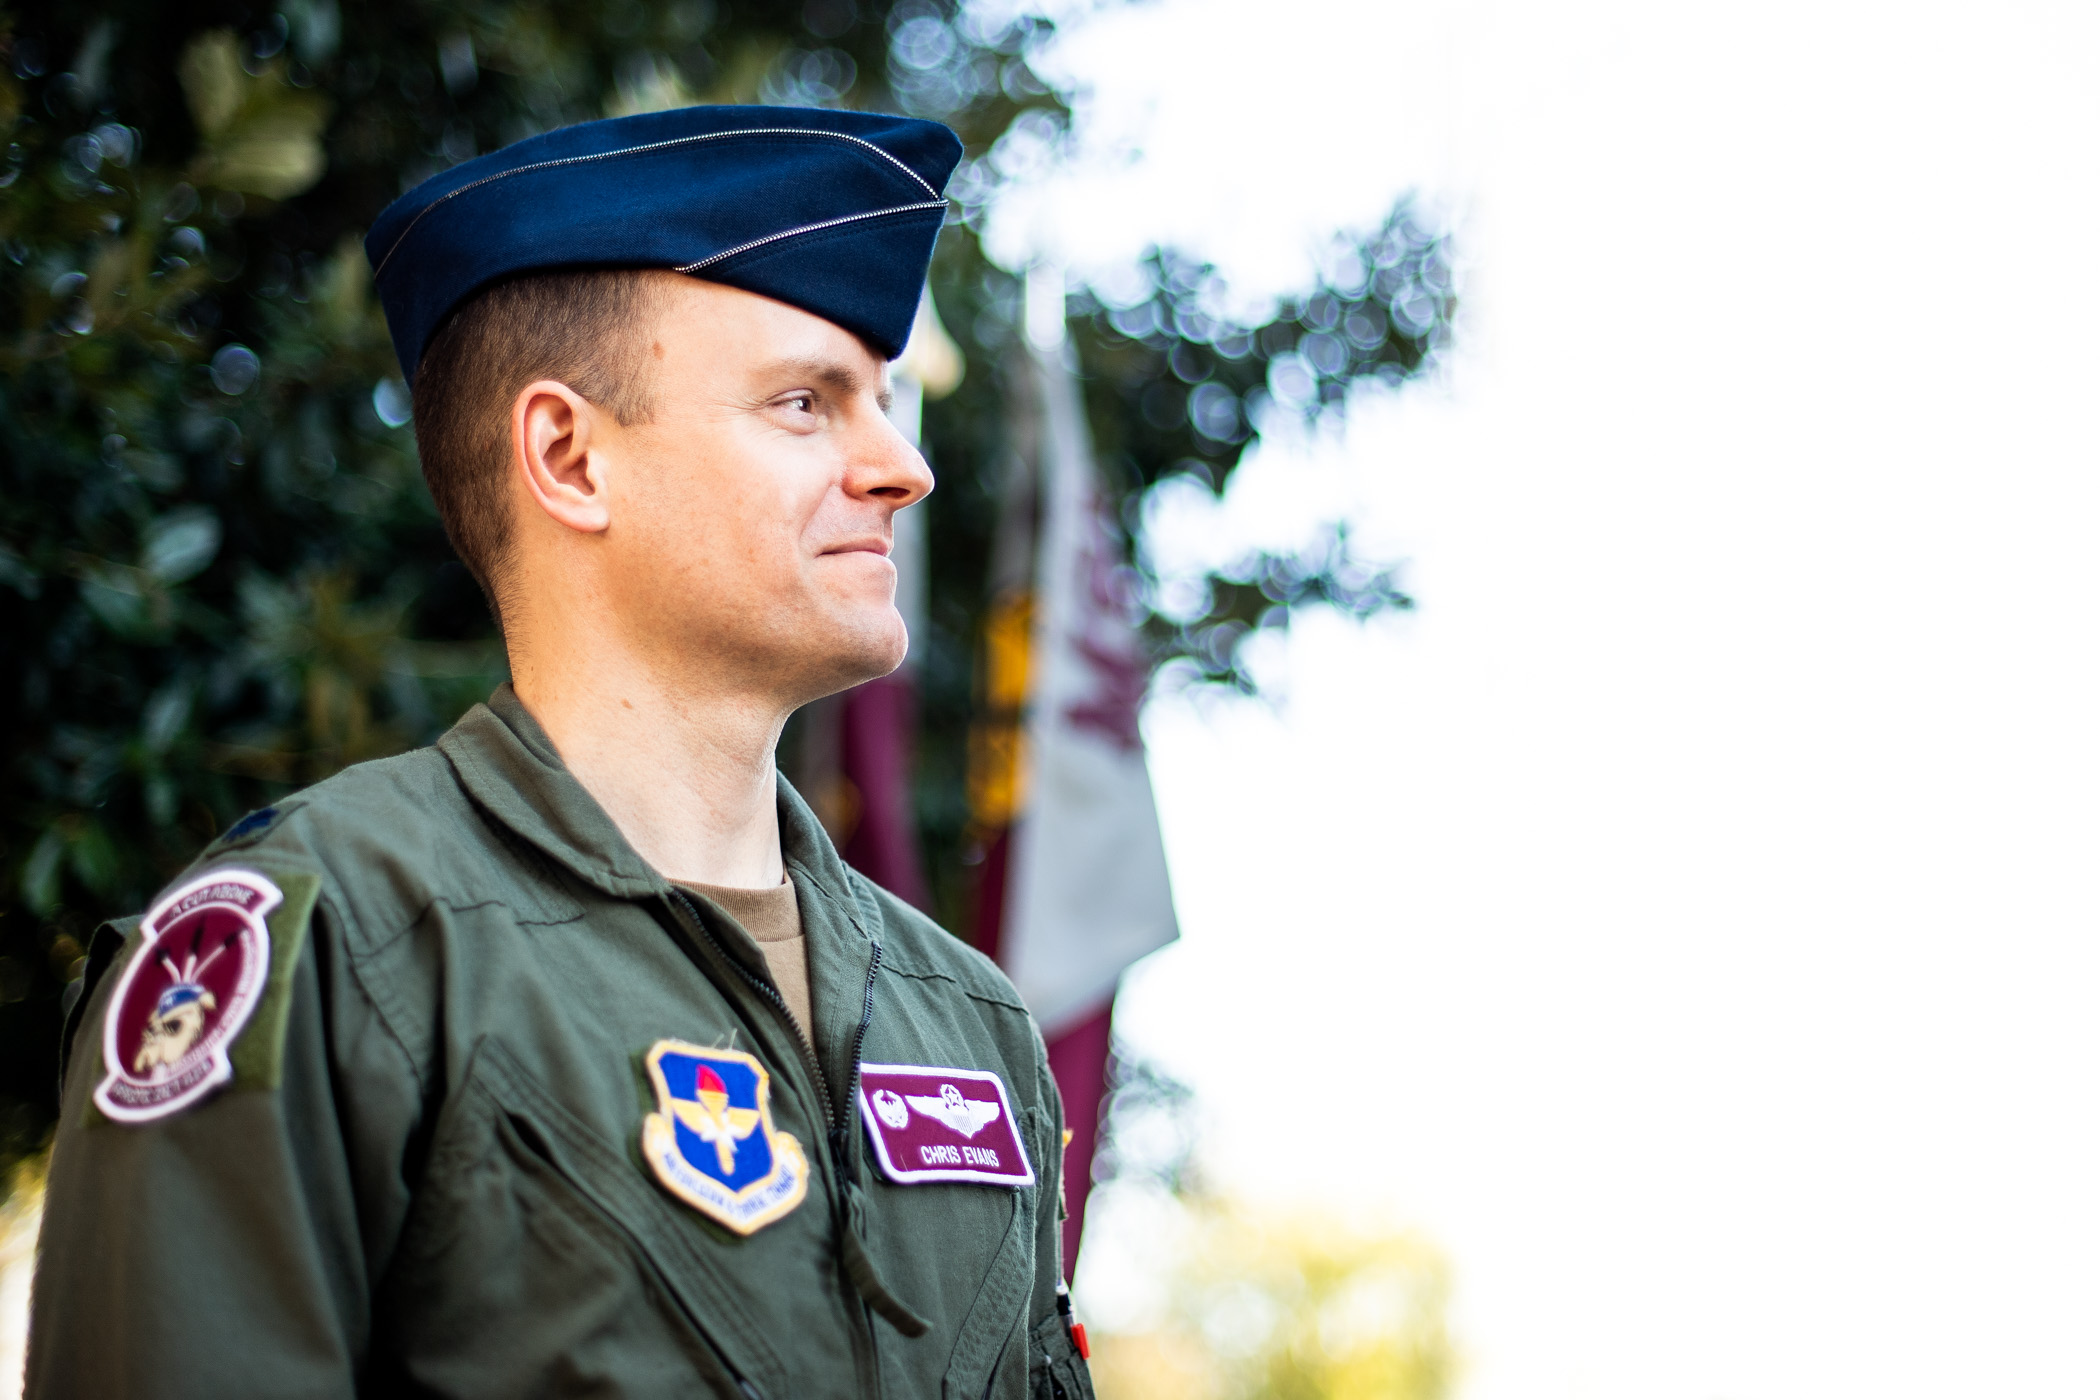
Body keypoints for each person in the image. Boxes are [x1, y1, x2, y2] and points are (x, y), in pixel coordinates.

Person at [26, 104, 1096, 1400]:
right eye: (807, 401)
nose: (903, 466)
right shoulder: (339, 947)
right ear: (569, 456)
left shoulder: (968, 1018)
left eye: (882, 401)